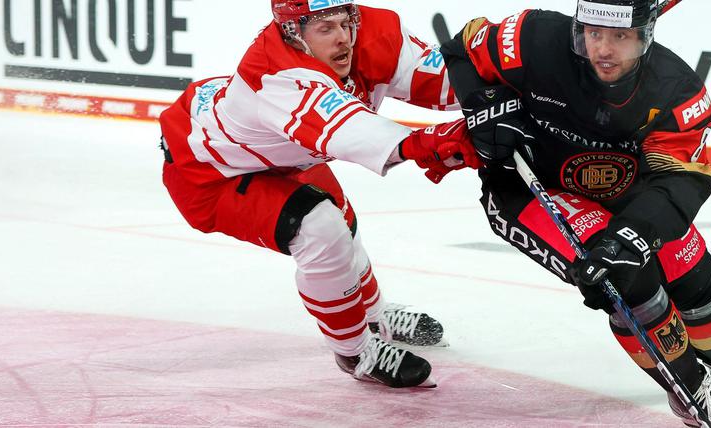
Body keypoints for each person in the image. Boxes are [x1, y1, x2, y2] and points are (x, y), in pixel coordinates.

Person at [441, 0, 711, 425]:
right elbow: (462, 47)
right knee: (628, 279)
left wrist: (631, 237)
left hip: (626, 192)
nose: (604, 50)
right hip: (533, 190)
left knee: (690, 270)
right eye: (594, 34)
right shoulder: (532, 38)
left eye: (620, 36)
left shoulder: (677, 90)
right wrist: (482, 101)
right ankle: (690, 389)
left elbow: (681, 182)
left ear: (645, 37)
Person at [159, 0, 481, 389]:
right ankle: (355, 351)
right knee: (319, 228)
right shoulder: (276, 74)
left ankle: (375, 315)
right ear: (294, 32)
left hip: (282, 153)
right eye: (325, 28)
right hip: (210, 172)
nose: (344, 38)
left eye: (346, 22)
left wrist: (511, 79)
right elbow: (351, 131)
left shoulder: (370, 34)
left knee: (342, 220)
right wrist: (433, 141)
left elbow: (442, 80)